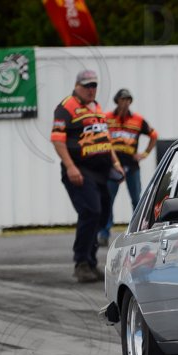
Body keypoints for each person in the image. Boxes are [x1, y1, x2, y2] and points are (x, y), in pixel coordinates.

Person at [51, 70, 124, 283]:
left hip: (101, 172)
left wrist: (116, 163)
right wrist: (70, 167)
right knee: (91, 211)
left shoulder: (96, 107)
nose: (91, 90)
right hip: (80, 170)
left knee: (102, 214)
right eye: (87, 86)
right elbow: (57, 139)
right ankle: (81, 263)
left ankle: (91, 262)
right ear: (77, 86)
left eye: (94, 85)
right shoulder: (66, 107)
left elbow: (104, 138)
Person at [99, 88, 158, 246]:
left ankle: (138, 232)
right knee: (108, 200)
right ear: (117, 101)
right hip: (112, 167)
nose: (125, 103)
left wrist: (144, 154)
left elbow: (154, 135)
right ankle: (104, 233)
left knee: (137, 200)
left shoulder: (138, 119)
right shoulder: (106, 118)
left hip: (132, 166)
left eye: (128, 100)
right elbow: (98, 136)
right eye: (122, 99)